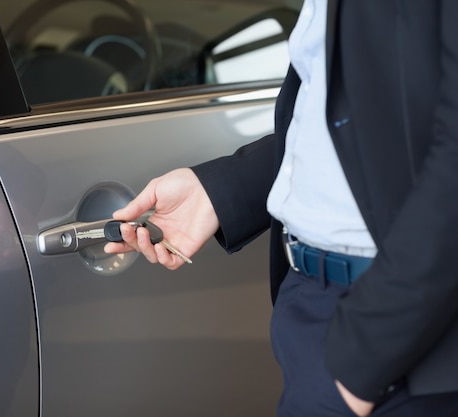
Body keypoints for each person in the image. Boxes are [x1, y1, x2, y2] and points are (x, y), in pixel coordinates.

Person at [105, 0, 458, 416]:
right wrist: (219, 191)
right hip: (317, 304)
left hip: (397, 330)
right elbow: (352, 116)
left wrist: (362, 364)